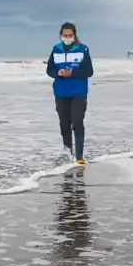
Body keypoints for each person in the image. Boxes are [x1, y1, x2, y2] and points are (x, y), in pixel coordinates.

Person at [45, 22, 93, 164]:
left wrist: (72, 72)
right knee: (64, 123)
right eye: (65, 35)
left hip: (78, 91)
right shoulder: (56, 49)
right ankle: (68, 153)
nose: (67, 37)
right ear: (61, 35)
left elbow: (89, 71)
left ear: (74, 35)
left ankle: (79, 157)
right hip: (61, 92)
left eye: (70, 35)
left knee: (77, 122)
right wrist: (58, 73)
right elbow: (49, 70)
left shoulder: (82, 49)